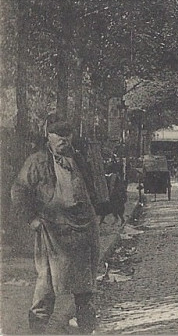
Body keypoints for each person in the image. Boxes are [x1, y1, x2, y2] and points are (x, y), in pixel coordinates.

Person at [11, 115, 102, 333]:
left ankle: (87, 330)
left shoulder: (79, 159)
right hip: (52, 233)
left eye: (66, 134)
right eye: (57, 134)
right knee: (46, 286)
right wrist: (32, 219)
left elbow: (92, 190)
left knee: (85, 287)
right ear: (48, 135)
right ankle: (38, 331)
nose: (63, 139)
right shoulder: (36, 161)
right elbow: (18, 191)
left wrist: (94, 215)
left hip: (82, 230)